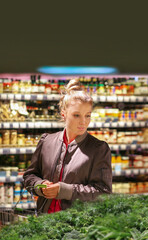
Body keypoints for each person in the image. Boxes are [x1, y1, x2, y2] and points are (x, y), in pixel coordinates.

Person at [23, 79, 112, 214]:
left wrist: (64, 191)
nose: (83, 122)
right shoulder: (46, 141)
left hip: (78, 226)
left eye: (87, 115)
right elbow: (30, 176)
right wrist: (39, 186)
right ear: (63, 114)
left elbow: (103, 192)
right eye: (76, 115)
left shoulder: (98, 149)